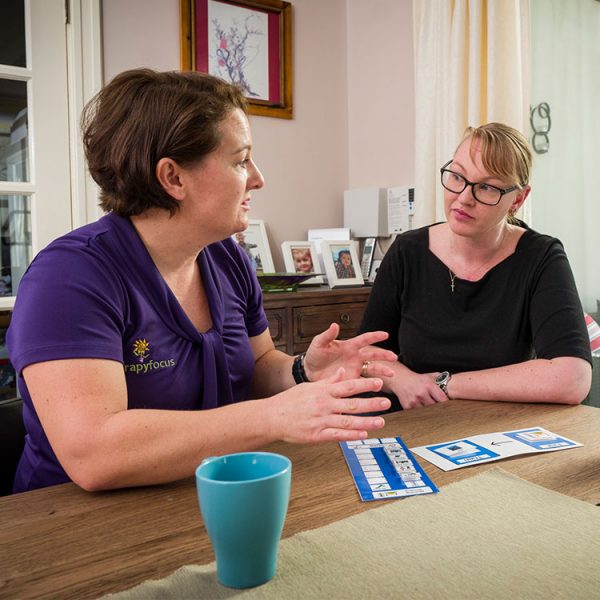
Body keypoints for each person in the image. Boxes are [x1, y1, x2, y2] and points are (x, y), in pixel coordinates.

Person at [6, 69, 398, 493]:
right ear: (173, 177)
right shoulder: (69, 279)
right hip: (70, 523)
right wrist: (273, 417)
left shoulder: (227, 257)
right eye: (240, 160)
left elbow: (257, 367)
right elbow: (96, 454)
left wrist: (303, 370)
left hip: (205, 492)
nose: (257, 178)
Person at [358, 122, 591, 410]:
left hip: (501, 427)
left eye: (486, 187)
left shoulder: (541, 256)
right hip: (413, 419)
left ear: (518, 199)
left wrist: (444, 384)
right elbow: (364, 353)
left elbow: (573, 377)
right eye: (457, 176)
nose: (464, 198)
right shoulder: (408, 250)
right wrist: (402, 379)